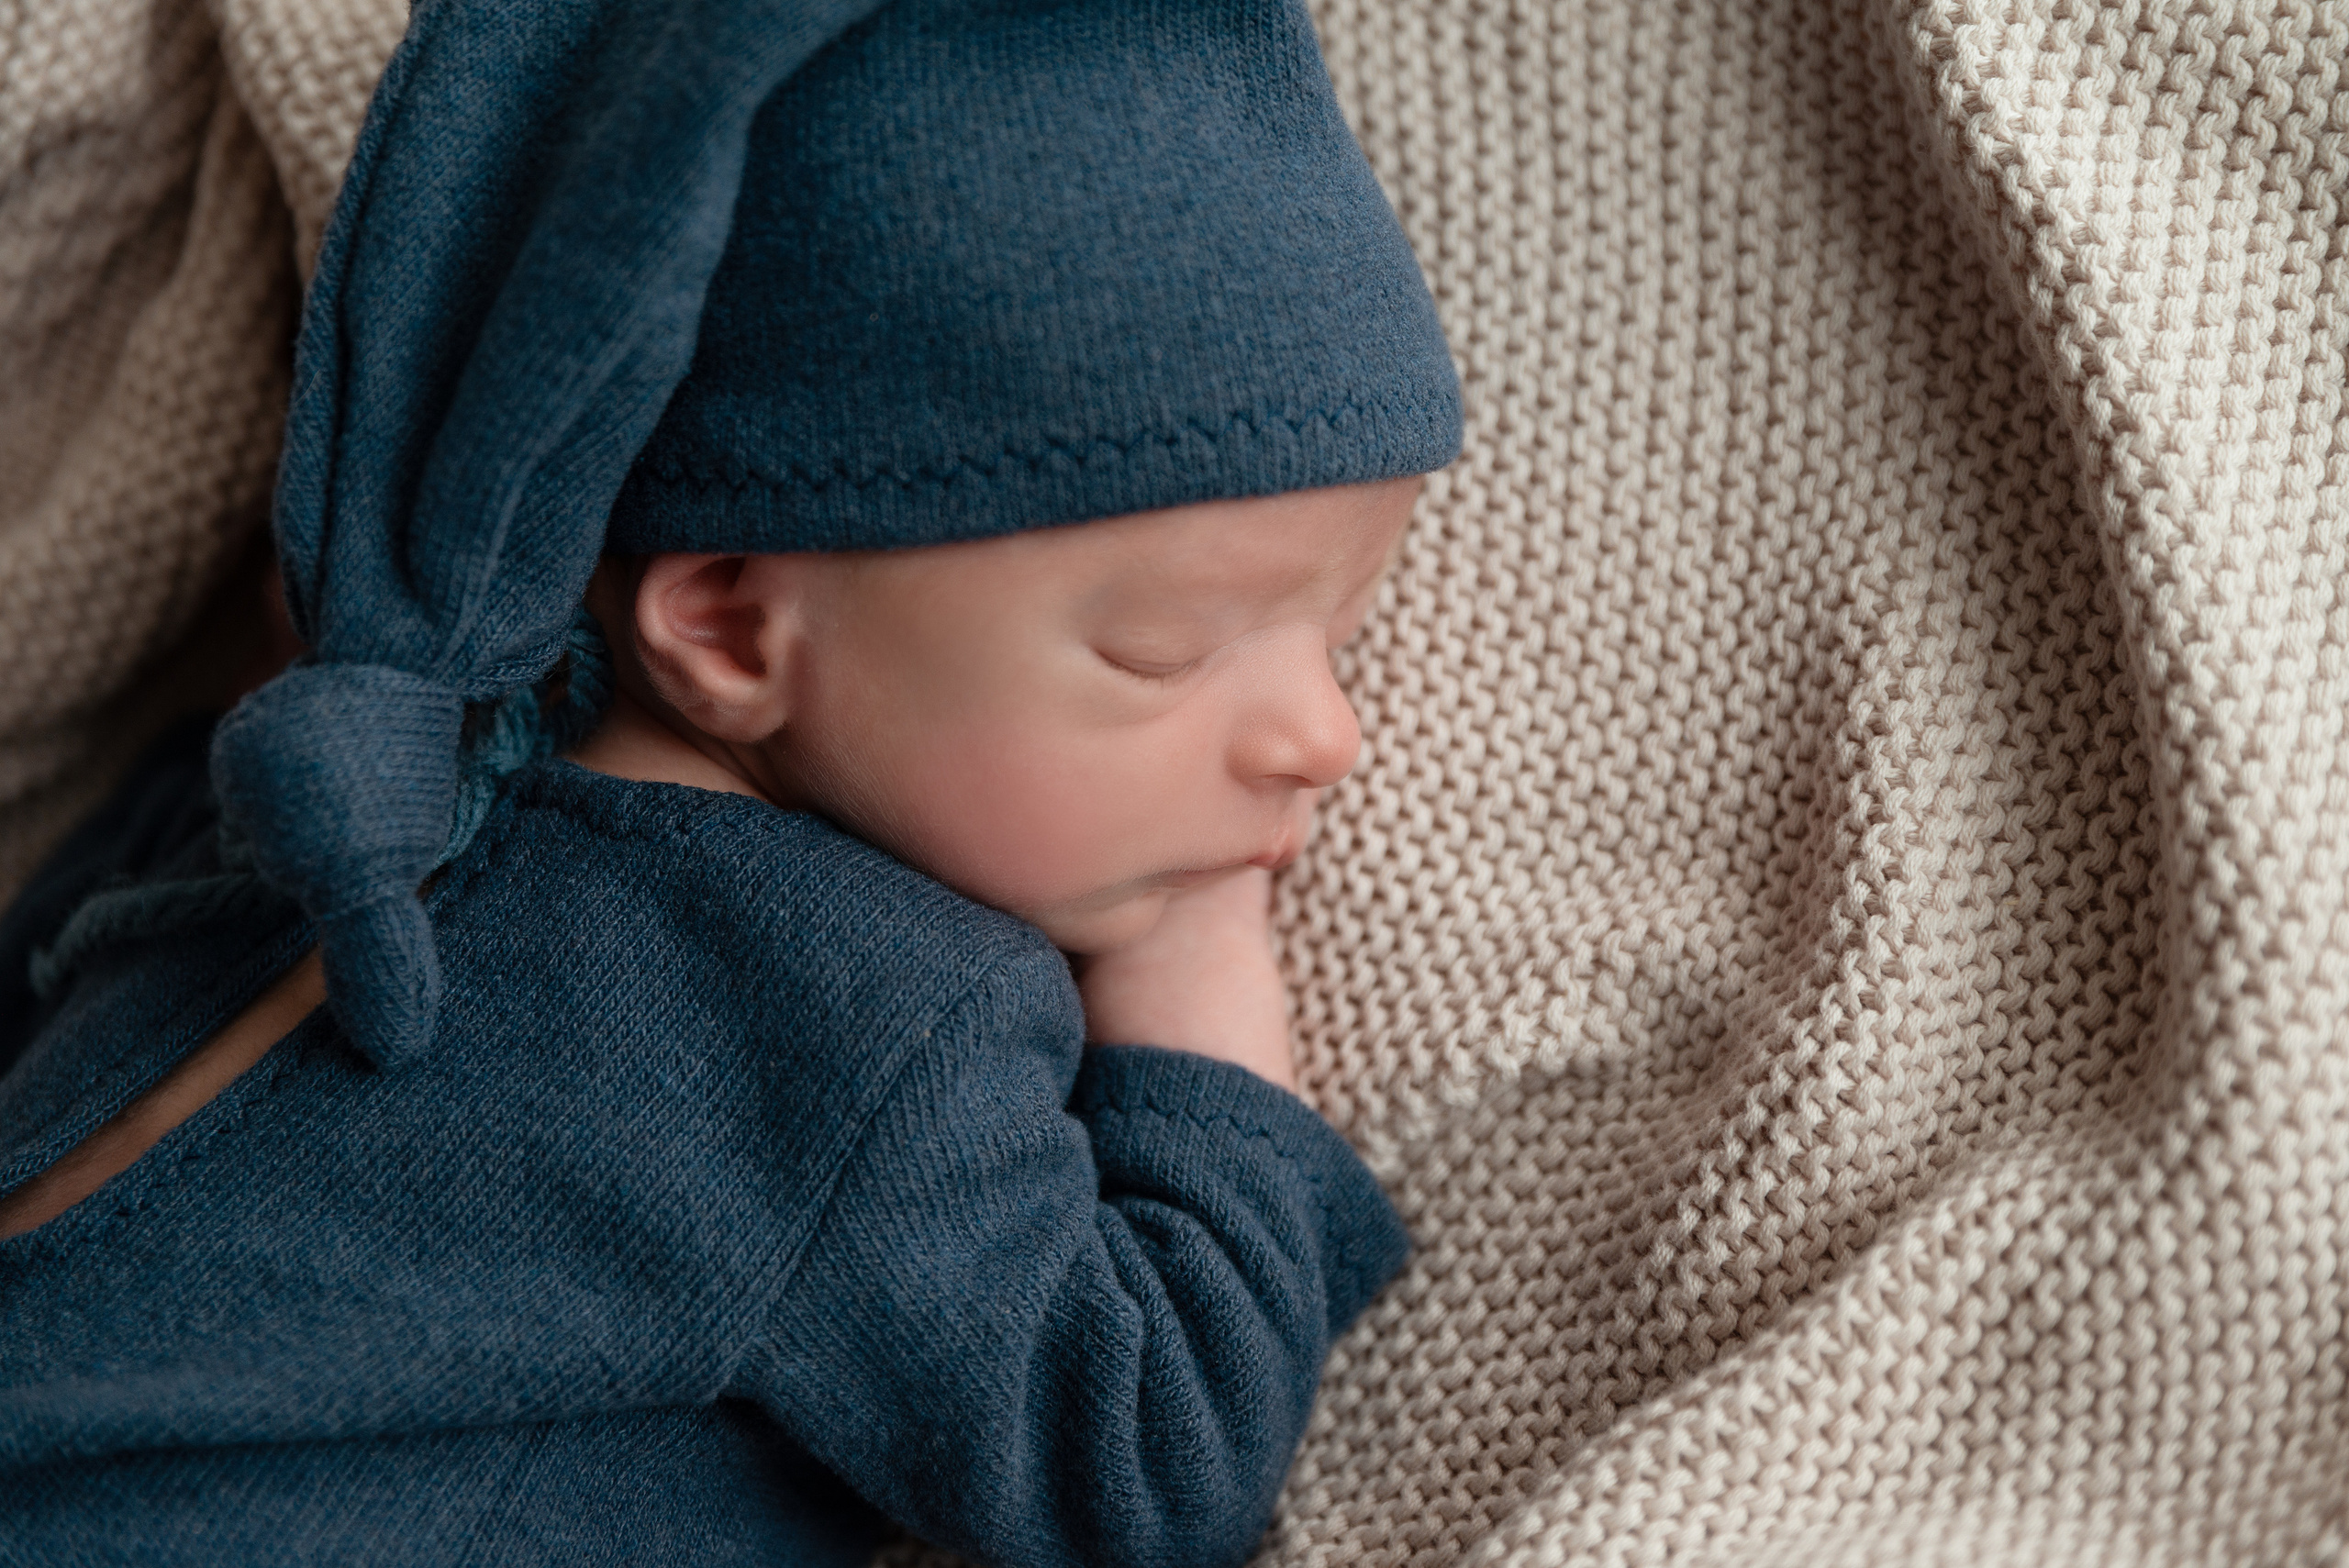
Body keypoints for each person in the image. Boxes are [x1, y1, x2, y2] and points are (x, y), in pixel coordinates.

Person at [0, 0, 1461, 1562]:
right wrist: (1202, 1024)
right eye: (1164, 654)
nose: (1324, 732)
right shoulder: (861, 1025)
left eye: (1343, 632)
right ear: (727, 623)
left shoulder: (323, 778)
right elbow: (1142, 1468)